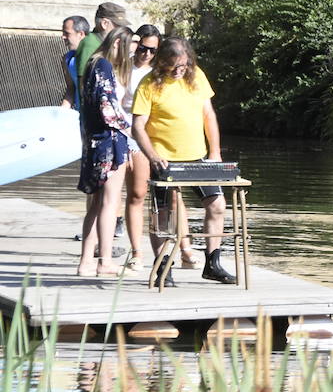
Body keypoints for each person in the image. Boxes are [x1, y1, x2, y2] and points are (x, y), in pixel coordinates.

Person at [131, 37, 236, 285]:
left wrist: (215, 151)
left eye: (183, 65)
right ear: (162, 63)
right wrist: (153, 157)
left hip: (196, 156)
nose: (180, 70)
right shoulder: (149, 85)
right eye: (173, 66)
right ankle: (163, 269)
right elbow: (137, 126)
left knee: (217, 204)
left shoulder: (196, 75)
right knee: (163, 216)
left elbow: (208, 114)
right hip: (165, 160)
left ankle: (212, 262)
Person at [75, 25, 134, 277]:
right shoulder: (105, 66)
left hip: (93, 141)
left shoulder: (91, 64)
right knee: (111, 201)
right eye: (128, 50)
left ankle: (86, 262)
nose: (128, 58)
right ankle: (105, 261)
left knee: (97, 204)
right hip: (109, 141)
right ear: (118, 43)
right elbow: (106, 106)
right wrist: (128, 132)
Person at [118, 24, 160, 273]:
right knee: (136, 194)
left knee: (167, 198)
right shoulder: (124, 68)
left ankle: (181, 249)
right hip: (129, 134)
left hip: (156, 136)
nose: (146, 54)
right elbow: (118, 107)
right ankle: (136, 252)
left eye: (153, 51)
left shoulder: (159, 72)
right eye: (143, 48)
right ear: (136, 45)